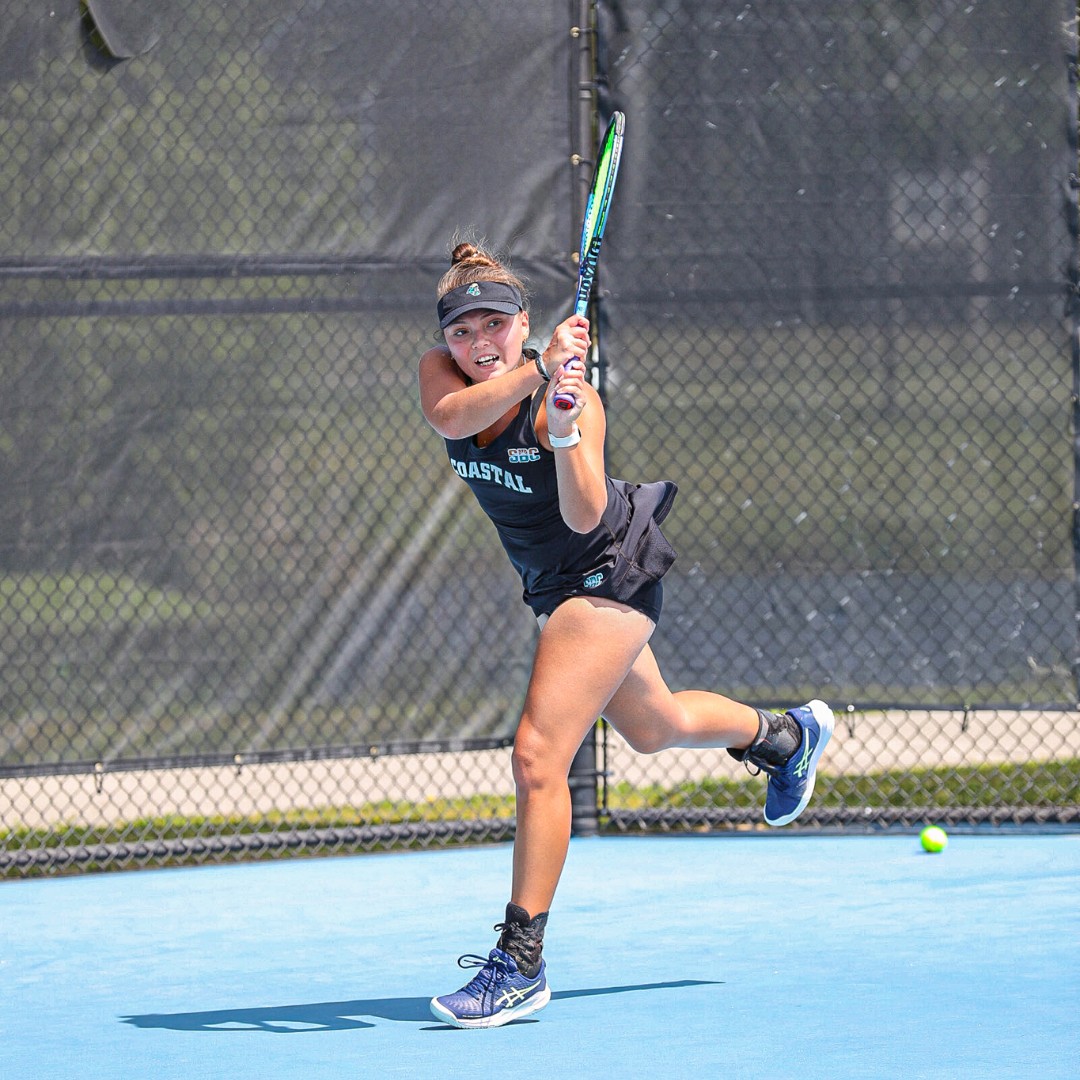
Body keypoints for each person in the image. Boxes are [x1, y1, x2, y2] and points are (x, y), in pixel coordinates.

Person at [418, 240, 834, 1029]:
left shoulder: (568, 401)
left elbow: (581, 515)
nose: (478, 343)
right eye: (463, 331)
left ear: (524, 323)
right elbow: (450, 417)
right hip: (550, 583)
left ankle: (520, 962)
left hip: (607, 566)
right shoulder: (446, 379)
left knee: (538, 755)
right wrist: (536, 374)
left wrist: (568, 431)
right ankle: (784, 737)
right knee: (655, 726)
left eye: (494, 326)